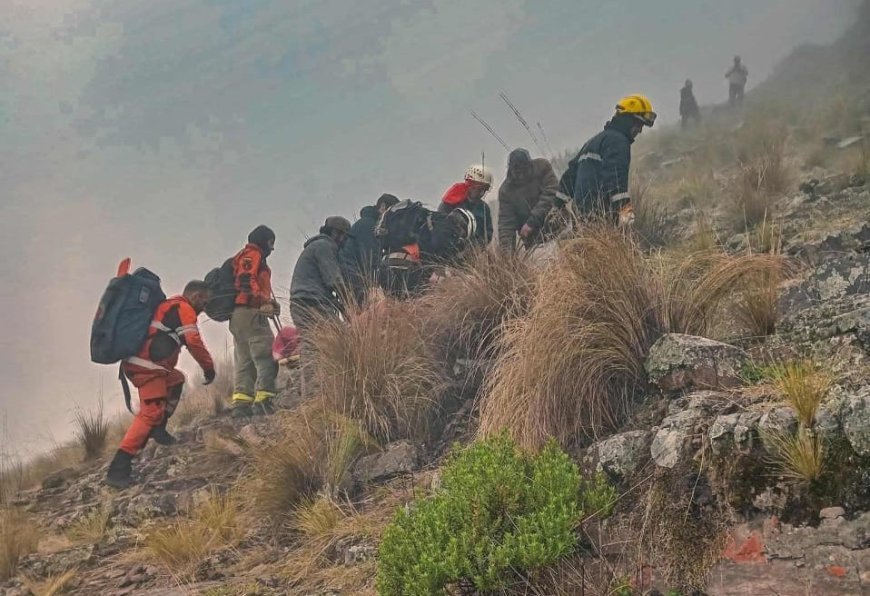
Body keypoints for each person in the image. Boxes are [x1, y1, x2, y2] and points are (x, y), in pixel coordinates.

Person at [106, 281, 215, 489]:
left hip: (147, 364)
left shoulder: (168, 306)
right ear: (196, 296)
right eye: (205, 301)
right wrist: (208, 367)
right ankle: (118, 469)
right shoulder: (183, 308)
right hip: (148, 367)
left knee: (176, 380)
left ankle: (159, 430)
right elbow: (193, 341)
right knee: (150, 412)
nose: (205, 306)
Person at [561, 94, 656, 226]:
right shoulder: (618, 142)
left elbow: (569, 177)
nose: (639, 130)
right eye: (639, 124)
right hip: (602, 219)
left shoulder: (593, 141)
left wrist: (557, 206)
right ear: (628, 120)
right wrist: (627, 216)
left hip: (582, 220)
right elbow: (616, 182)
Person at [289, 216, 352, 398]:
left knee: (314, 344)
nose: (345, 241)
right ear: (336, 234)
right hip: (311, 303)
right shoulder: (325, 247)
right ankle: (315, 393)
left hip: (304, 302)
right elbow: (334, 280)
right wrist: (348, 305)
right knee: (337, 341)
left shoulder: (315, 247)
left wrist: (339, 306)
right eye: (344, 236)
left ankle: (313, 391)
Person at [229, 225, 280, 418]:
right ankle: (264, 401)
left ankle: (242, 405)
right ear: (263, 241)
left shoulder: (246, 255)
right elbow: (245, 280)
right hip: (251, 313)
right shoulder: (253, 254)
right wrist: (264, 301)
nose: (272, 248)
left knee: (244, 361)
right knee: (266, 355)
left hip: (238, 317)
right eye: (270, 243)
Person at [338, 193, 400, 306]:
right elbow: (370, 259)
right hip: (356, 280)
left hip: (350, 279)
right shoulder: (369, 225)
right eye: (391, 213)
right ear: (383, 207)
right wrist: (375, 285)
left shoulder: (365, 224)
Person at [497, 148, 560, 253]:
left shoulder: (543, 167)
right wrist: (507, 256)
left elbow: (551, 194)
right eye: (517, 172)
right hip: (534, 241)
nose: (521, 175)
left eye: (524, 170)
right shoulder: (506, 191)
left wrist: (532, 222)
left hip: (560, 229)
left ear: (530, 165)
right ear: (510, 170)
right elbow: (506, 225)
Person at [438, 165, 494, 246]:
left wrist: (475, 246)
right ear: (470, 185)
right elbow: (440, 231)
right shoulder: (449, 204)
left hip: (472, 254)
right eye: (479, 189)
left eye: (485, 190)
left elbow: (487, 235)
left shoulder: (484, 208)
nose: (482, 193)